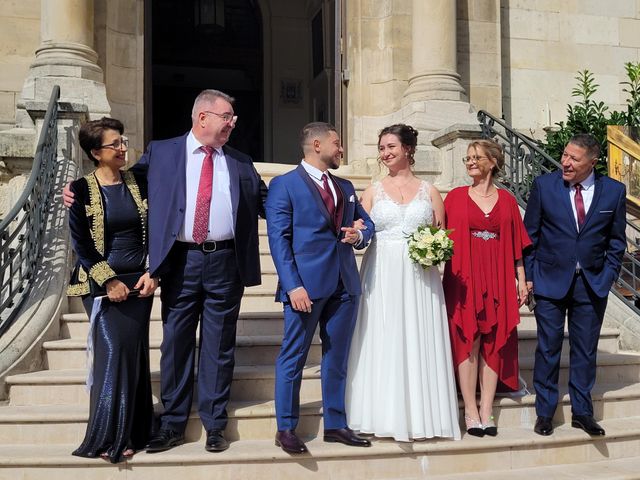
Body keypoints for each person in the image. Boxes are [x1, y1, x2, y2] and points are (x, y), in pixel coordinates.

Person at [65, 89, 267, 453]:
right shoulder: (162, 152)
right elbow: (119, 185)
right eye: (227, 117)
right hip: (180, 263)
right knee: (176, 345)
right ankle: (172, 423)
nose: (233, 123)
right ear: (202, 117)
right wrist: (77, 191)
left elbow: (269, 203)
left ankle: (214, 423)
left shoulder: (240, 160)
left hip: (226, 263)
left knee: (219, 347)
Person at [346, 124, 461, 442]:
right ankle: (380, 413)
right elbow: (361, 233)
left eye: (391, 146)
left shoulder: (431, 191)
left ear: (408, 149)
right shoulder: (372, 192)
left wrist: (435, 249)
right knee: (382, 336)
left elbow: (442, 236)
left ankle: (423, 416)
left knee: (417, 335)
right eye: (382, 148)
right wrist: (356, 234)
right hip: (381, 271)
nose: (385, 153)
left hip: (419, 277)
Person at [265, 122, 375, 454]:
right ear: (317, 144)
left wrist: (360, 235)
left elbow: (367, 223)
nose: (341, 149)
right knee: (293, 357)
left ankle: (336, 425)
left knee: (337, 357)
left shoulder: (345, 185)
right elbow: (278, 240)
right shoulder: (283, 185)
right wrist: (293, 285)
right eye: (337, 143)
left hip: (345, 283)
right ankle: (286, 428)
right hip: (305, 288)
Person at [68, 117, 158, 463]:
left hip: (140, 282)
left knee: (134, 353)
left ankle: (135, 431)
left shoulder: (140, 181)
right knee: (112, 353)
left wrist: (154, 272)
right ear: (95, 153)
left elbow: (159, 226)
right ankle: (108, 434)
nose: (123, 148)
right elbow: (82, 244)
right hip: (101, 284)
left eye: (123, 141)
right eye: (115, 144)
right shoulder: (79, 189)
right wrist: (109, 280)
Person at [524, 133, 626, 437]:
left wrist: (607, 276)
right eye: (565, 155)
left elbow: (617, 241)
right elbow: (531, 238)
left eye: (574, 158)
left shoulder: (614, 191)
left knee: (585, 351)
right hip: (549, 281)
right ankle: (545, 413)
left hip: (592, 284)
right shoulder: (544, 186)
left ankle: (583, 412)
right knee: (548, 349)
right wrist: (529, 278)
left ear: (592, 162)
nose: (565, 162)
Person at [443, 139, 531, 437]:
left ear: (492, 162)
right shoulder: (454, 197)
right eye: (467, 157)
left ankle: (486, 409)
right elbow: (437, 233)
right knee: (469, 339)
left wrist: (521, 278)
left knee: (495, 341)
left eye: (476, 157)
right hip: (464, 277)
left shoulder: (506, 200)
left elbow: (517, 245)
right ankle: (469, 409)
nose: (469, 162)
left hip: (498, 275)